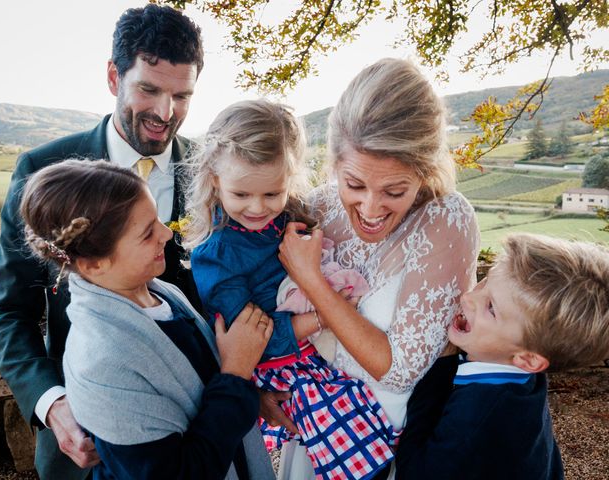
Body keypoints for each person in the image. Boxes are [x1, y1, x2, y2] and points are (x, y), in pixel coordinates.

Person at [0, 5, 204, 478]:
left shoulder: (213, 171)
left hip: (201, 436)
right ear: (113, 77)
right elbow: (6, 309)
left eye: (182, 96)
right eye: (149, 89)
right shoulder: (42, 170)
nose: (166, 114)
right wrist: (53, 403)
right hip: (84, 444)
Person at [274, 58, 481, 479]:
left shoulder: (446, 220)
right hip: (315, 433)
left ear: (423, 172)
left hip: (393, 448)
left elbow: (399, 370)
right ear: (334, 164)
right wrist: (264, 388)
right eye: (354, 184)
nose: (370, 208)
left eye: (394, 190)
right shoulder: (317, 206)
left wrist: (313, 280)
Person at [19, 159, 275, 479]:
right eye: (146, 233)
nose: (167, 234)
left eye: (158, 220)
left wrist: (253, 396)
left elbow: (201, 381)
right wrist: (237, 373)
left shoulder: (157, 291)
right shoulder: (102, 361)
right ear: (92, 264)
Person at [185, 99, 398, 480]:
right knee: (349, 443)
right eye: (242, 195)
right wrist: (320, 317)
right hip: (279, 360)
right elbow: (249, 338)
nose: (257, 208)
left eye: (271, 194)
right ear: (215, 179)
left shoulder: (288, 215)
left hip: (311, 347)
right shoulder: (216, 256)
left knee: (373, 423)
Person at [395, 233, 609, 480]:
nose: (467, 297)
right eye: (484, 281)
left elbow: (414, 472)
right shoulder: (519, 375)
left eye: (491, 308)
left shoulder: (478, 415)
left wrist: (437, 369)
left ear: (528, 360)